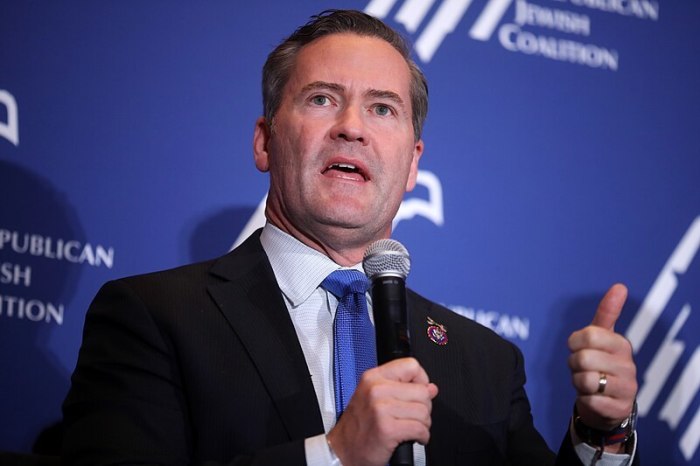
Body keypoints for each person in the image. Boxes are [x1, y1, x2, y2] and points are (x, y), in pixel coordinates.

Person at [62, 9, 638, 466]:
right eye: (322, 99)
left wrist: (599, 433)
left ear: (412, 165)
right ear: (264, 142)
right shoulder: (153, 317)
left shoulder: (484, 362)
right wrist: (337, 454)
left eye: (382, 108)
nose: (352, 127)